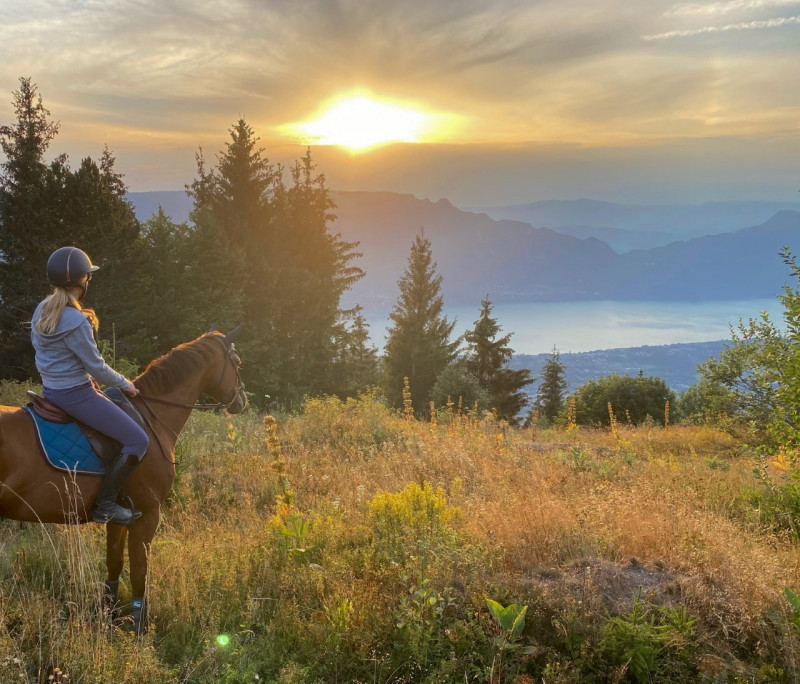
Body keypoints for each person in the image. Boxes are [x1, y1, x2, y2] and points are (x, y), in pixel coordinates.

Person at [30, 246, 148, 526]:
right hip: (76, 395)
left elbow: (46, 354)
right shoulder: (76, 321)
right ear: (82, 281)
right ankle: (105, 505)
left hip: (51, 391)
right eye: (88, 278)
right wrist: (126, 383)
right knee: (138, 440)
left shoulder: (41, 310)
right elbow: (96, 367)